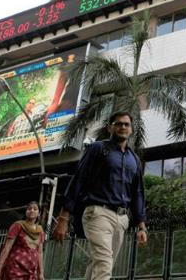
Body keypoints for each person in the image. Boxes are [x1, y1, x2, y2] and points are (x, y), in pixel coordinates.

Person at [53, 111, 147, 280]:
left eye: (126, 124)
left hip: (121, 219)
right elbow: (78, 180)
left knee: (99, 264)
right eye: (118, 124)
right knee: (104, 264)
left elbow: (138, 193)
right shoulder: (98, 149)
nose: (123, 127)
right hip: (98, 213)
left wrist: (141, 225)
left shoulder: (135, 160)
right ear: (110, 127)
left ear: (131, 129)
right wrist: (64, 217)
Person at [0, 201, 45, 280]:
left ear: (39, 214)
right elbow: (7, 247)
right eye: (29, 208)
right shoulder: (17, 226)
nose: (32, 210)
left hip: (31, 272)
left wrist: (40, 273)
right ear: (26, 212)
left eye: (35, 209)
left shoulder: (40, 232)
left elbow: (40, 253)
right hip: (15, 268)